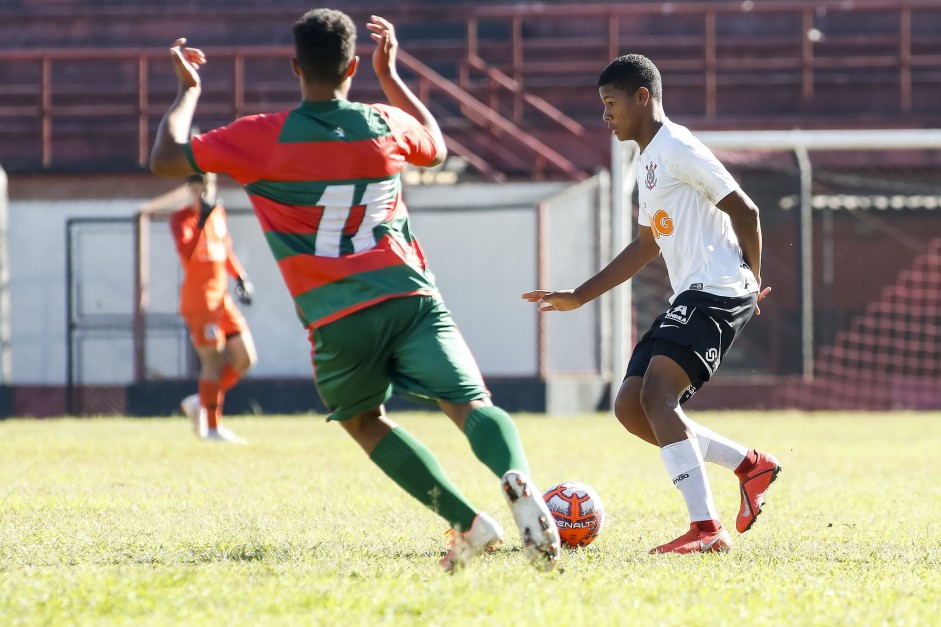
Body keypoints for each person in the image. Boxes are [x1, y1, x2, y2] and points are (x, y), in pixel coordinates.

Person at [149, 9, 561, 572]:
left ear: (296, 66)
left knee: (363, 420)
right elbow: (436, 146)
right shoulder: (382, 122)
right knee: (470, 404)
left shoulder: (261, 136)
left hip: (338, 316)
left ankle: (467, 524)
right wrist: (390, 77)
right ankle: (517, 480)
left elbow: (165, 159)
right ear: (351, 67)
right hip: (413, 299)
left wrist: (187, 92)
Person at [523, 54, 780, 555]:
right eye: (603, 105)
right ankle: (751, 466)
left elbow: (744, 209)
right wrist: (579, 295)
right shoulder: (649, 161)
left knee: (659, 394)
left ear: (644, 97)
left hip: (717, 289)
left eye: (611, 103)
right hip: (692, 292)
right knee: (631, 406)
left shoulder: (679, 147)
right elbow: (646, 245)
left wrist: (752, 277)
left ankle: (707, 531)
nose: (606, 116)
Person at [169, 171, 257, 444]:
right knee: (214, 362)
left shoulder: (218, 213)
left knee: (245, 358)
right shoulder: (181, 219)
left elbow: (224, 249)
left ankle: (200, 400)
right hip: (200, 301)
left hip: (222, 299)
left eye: (207, 185)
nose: (203, 192)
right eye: (197, 187)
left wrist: (240, 276)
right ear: (189, 189)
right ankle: (212, 427)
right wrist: (201, 221)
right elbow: (187, 252)